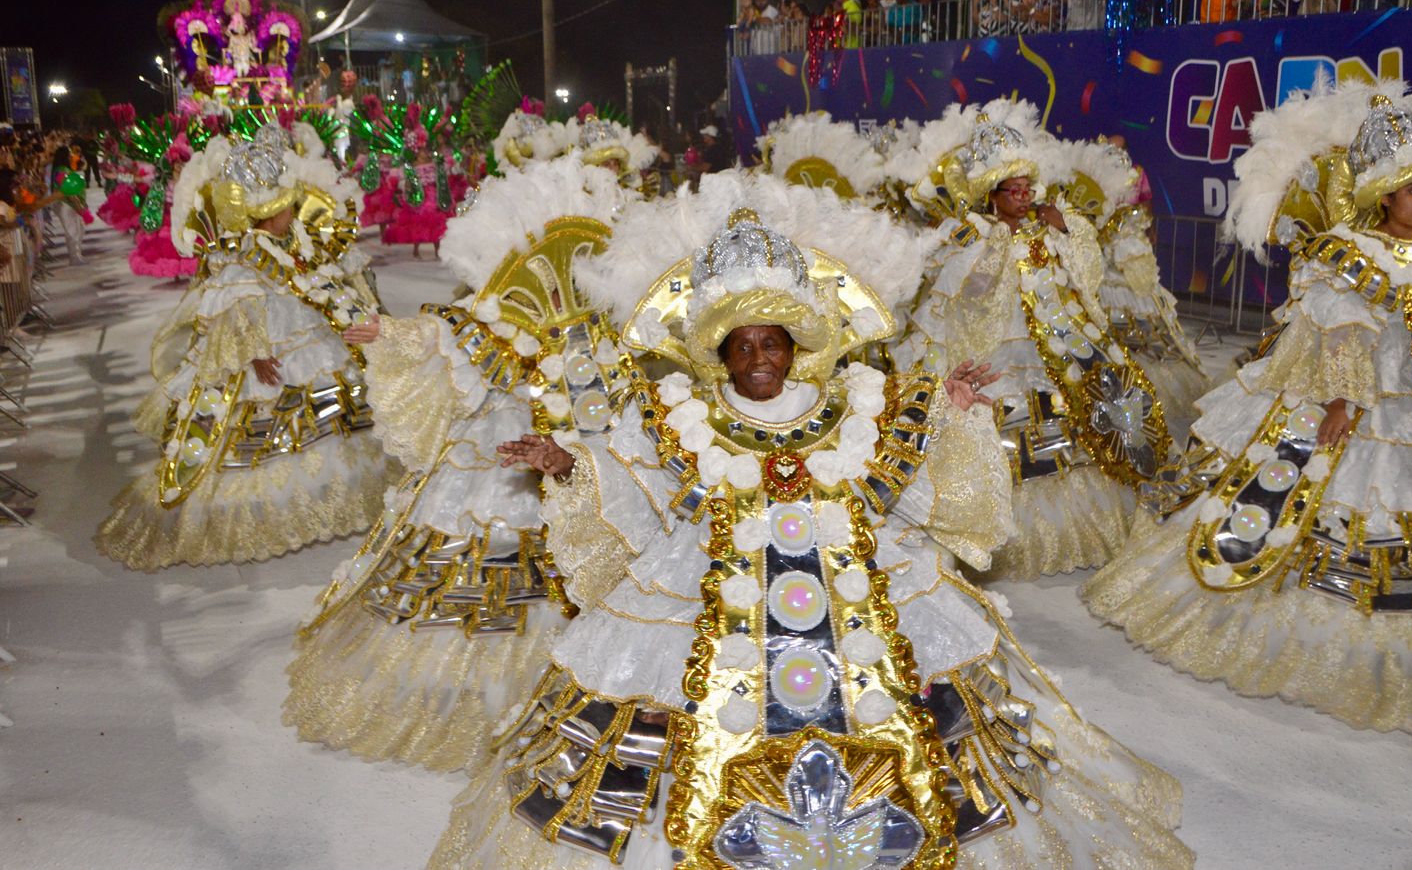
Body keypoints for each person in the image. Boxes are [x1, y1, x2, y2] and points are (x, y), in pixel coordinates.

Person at [428, 172, 1193, 869]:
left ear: (796, 349)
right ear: (720, 356)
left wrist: (952, 417)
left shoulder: (852, 404)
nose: (759, 357)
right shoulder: (678, 415)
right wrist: (568, 466)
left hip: (859, 581)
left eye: (772, 342)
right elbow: (639, 487)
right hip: (705, 582)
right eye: (743, 345)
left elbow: (906, 484)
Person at [1086, 83, 1412, 734]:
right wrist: (1345, 399)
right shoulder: (1350, 254)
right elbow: (1337, 335)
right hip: (1373, 401)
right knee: (1327, 499)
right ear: (1383, 194)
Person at [285, 157, 627, 773]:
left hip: (567, 454)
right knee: (471, 562)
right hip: (493, 452)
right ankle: (461, 702)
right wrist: (391, 335)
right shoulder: (489, 311)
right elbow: (445, 333)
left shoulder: (601, 318)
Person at [96, 124, 388, 570]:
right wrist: (253, 355)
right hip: (268, 357)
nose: (293, 214)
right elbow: (231, 312)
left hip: (305, 340)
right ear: (267, 215)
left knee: (328, 422)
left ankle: (325, 501)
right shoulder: (241, 255)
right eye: (286, 210)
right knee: (264, 435)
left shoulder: (289, 242)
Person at [898, 102, 1170, 578]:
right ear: (993, 194)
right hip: (994, 349)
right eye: (1014, 191)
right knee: (1009, 428)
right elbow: (966, 293)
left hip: (1052, 349)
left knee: (1068, 424)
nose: (1024, 199)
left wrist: (1064, 231)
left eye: (1028, 190)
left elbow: (1082, 278)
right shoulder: (973, 234)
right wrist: (997, 244)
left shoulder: (1046, 229)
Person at [1046, 138, 1209, 444]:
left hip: (1124, 262)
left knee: (1144, 324)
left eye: (1120, 149)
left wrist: (1135, 234)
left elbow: (1144, 209)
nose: (1116, 153)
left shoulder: (1136, 174)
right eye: (1111, 148)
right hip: (1101, 263)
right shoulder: (1086, 181)